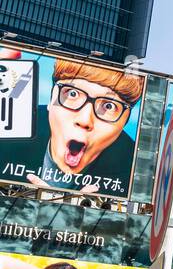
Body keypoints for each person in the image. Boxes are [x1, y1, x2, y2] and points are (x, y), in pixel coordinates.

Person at [12, 59, 143, 195]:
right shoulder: (12, 129)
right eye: (72, 93)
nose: (85, 120)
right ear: (51, 100)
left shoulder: (134, 173)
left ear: (124, 123)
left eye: (109, 106)